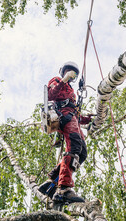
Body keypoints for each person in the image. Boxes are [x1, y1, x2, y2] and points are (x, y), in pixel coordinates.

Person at [38, 61, 92, 203]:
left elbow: (76, 113)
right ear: (63, 72)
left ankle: (52, 182)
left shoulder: (72, 91)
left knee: (82, 153)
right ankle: (64, 188)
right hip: (64, 117)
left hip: (73, 119)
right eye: (69, 71)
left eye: (73, 73)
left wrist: (88, 119)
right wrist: (64, 79)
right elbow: (50, 95)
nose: (71, 74)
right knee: (74, 147)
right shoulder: (57, 81)